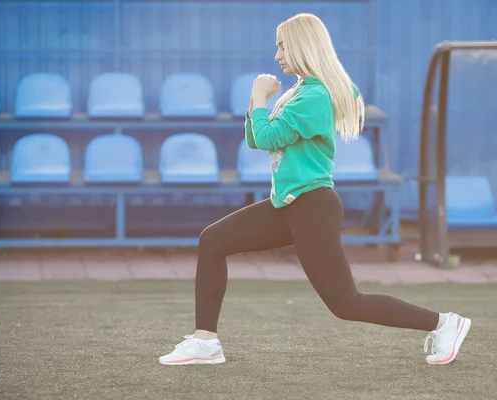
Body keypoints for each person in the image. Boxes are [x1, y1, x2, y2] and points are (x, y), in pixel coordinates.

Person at [158, 12, 471, 367]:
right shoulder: (301, 92)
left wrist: (258, 95)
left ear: (303, 46)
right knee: (212, 241)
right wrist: (256, 102)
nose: (276, 55)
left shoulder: (315, 95)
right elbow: (253, 136)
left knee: (346, 303)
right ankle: (205, 342)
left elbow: (266, 137)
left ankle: (445, 323)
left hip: (311, 206)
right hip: (289, 204)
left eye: (282, 46)